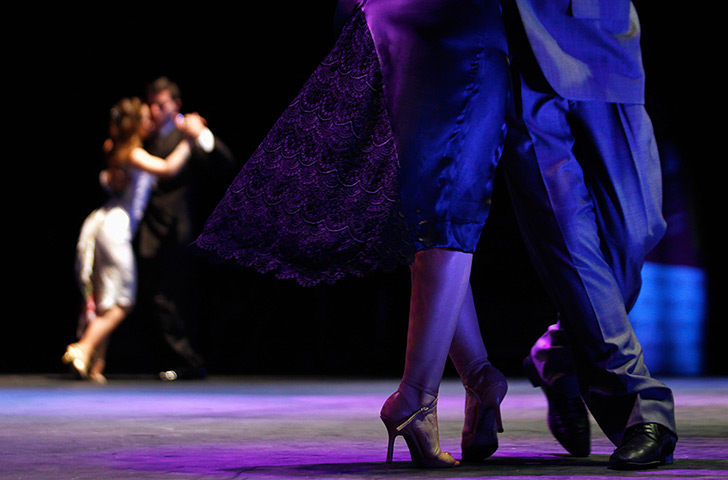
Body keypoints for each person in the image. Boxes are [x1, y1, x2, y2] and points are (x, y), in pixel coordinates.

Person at [193, 0, 510, 468]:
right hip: (459, 22)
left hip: (390, 17)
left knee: (424, 208)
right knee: (451, 210)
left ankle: (481, 378)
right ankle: (416, 397)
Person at [498, 0, 678, 469]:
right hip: (521, 48)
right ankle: (643, 408)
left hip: (607, 35)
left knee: (636, 231)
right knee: (569, 241)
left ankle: (559, 354)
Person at [64, 97, 200, 383]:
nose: (151, 121)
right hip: (115, 228)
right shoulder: (135, 153)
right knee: (123, 301)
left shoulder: (116, 148)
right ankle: (83, 347)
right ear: (137, 124)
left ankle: (94, 364)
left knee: (106, 297)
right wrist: (189, 140)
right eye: (146, 118)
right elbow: (167, 169)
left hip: (102, 221)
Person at [135, 77, 236, 381]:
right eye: (152, 104)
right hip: (149, 227)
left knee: (172, 295)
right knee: (154, 297)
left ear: (175, 105)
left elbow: (224, 163)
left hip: (175, 228)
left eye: (162, 104)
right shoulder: (148, 135)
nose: (155, 110)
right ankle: (168, 359)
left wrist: (200, 134)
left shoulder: (185, 136)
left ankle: (187, 361)